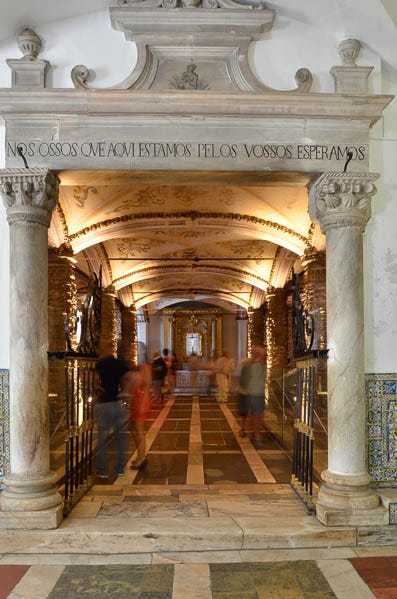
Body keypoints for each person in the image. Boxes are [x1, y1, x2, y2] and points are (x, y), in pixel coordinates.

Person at [94, 341, 129, 478]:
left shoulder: (100, 363)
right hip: (117, 402)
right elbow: (128, 377)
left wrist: (98, 387)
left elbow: (93, 378)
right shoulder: (119, 363)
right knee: (120, 438)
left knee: (102, 438)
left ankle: (102, 470)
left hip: (104, 403)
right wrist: (125, 392)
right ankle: (120, 468)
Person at [122, 361, 151, 471]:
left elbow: (147, 386)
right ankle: (139, 455)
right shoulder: (140, 367)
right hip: (136, 400)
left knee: (139, 430)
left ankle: (141, 458)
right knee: (133, 428)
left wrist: (143, 403)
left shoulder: (145, 367)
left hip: (141, 401)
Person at [239, 345, 267, 448]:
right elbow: (243, 378)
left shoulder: (262, 365)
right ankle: (256, 435)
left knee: (258, 416)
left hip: (259, 394)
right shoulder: (247, 365)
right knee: (254, 416)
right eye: (255, 352)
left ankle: (255, 434)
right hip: (251, 394)